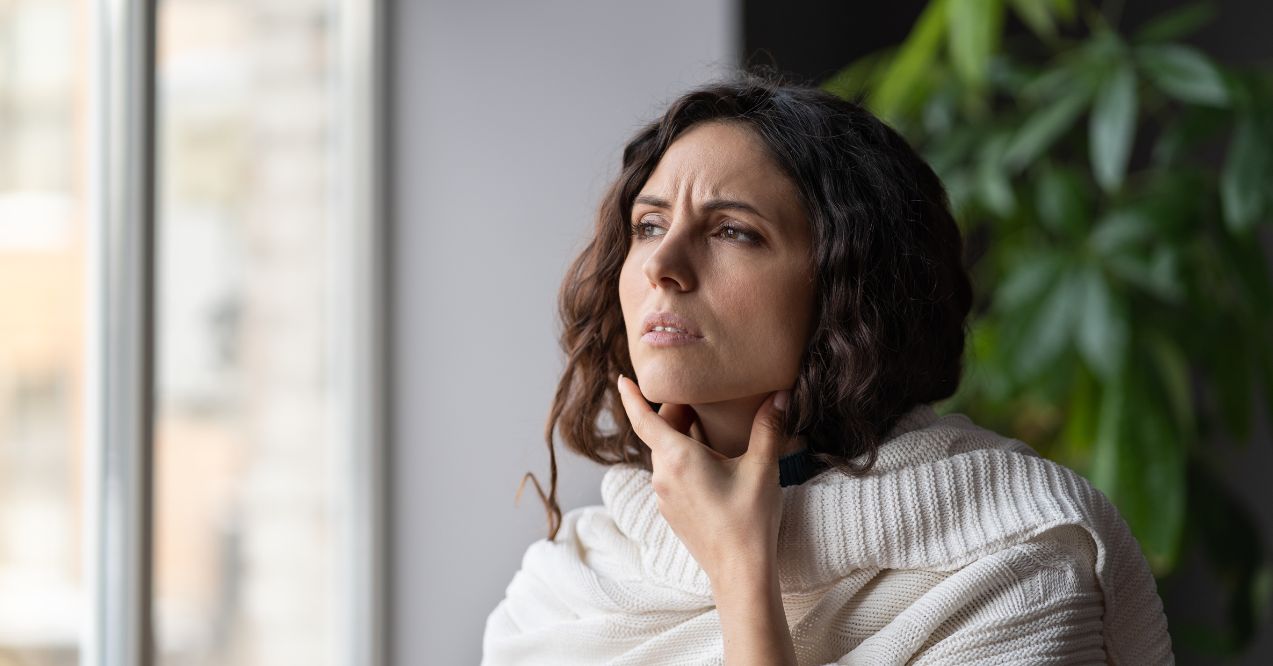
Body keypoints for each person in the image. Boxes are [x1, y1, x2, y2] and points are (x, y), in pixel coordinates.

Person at [481, 71, 1174, 665]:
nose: (662, 267)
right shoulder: (568, 588)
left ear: (851, 287)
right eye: (649, 226)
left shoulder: (1015, 565)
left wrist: (739, 569)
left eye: (732, 232)